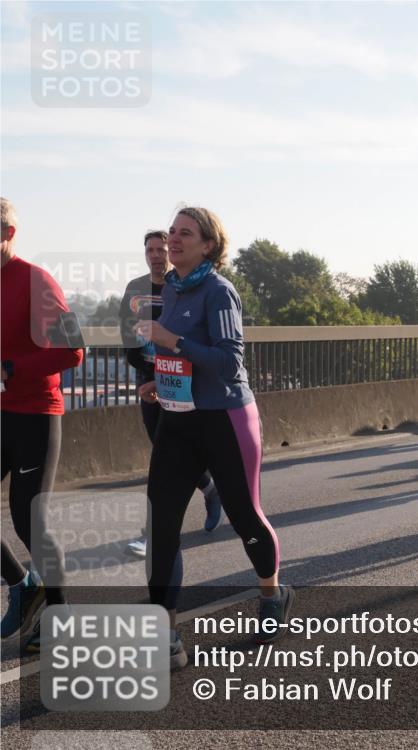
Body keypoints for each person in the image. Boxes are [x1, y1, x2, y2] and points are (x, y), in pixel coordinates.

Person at [135, 207, 290, 669]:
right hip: (179, 422)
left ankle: (272, 593)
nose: (174, 239)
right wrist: (160, 382)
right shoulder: (173, 290)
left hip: (225, 420)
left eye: (185, 233)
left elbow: (227, 363)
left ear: (208, 244)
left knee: (246, 518)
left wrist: (172, 342)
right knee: (160, 526)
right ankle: (166, 635)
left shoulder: (219, 292)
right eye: (171, 232)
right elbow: (180, 362)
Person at [0, 197, 84, 651]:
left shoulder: (35, 280)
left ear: (8, 234)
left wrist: (10, 368)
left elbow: (72, 351)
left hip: (34, 414)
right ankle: (21, 585)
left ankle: (60, 611)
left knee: (27, 517)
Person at [119, 229, 224, 559]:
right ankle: (210, 487)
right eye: (149, 249)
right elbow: (128, 339)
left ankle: (153, 535)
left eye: (160, 248)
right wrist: (149, 374)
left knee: (164, 461)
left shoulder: (181, 288)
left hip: (182, 382)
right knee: (163, 450)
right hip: (151, 383)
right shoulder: (135, 290)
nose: (155, 254)